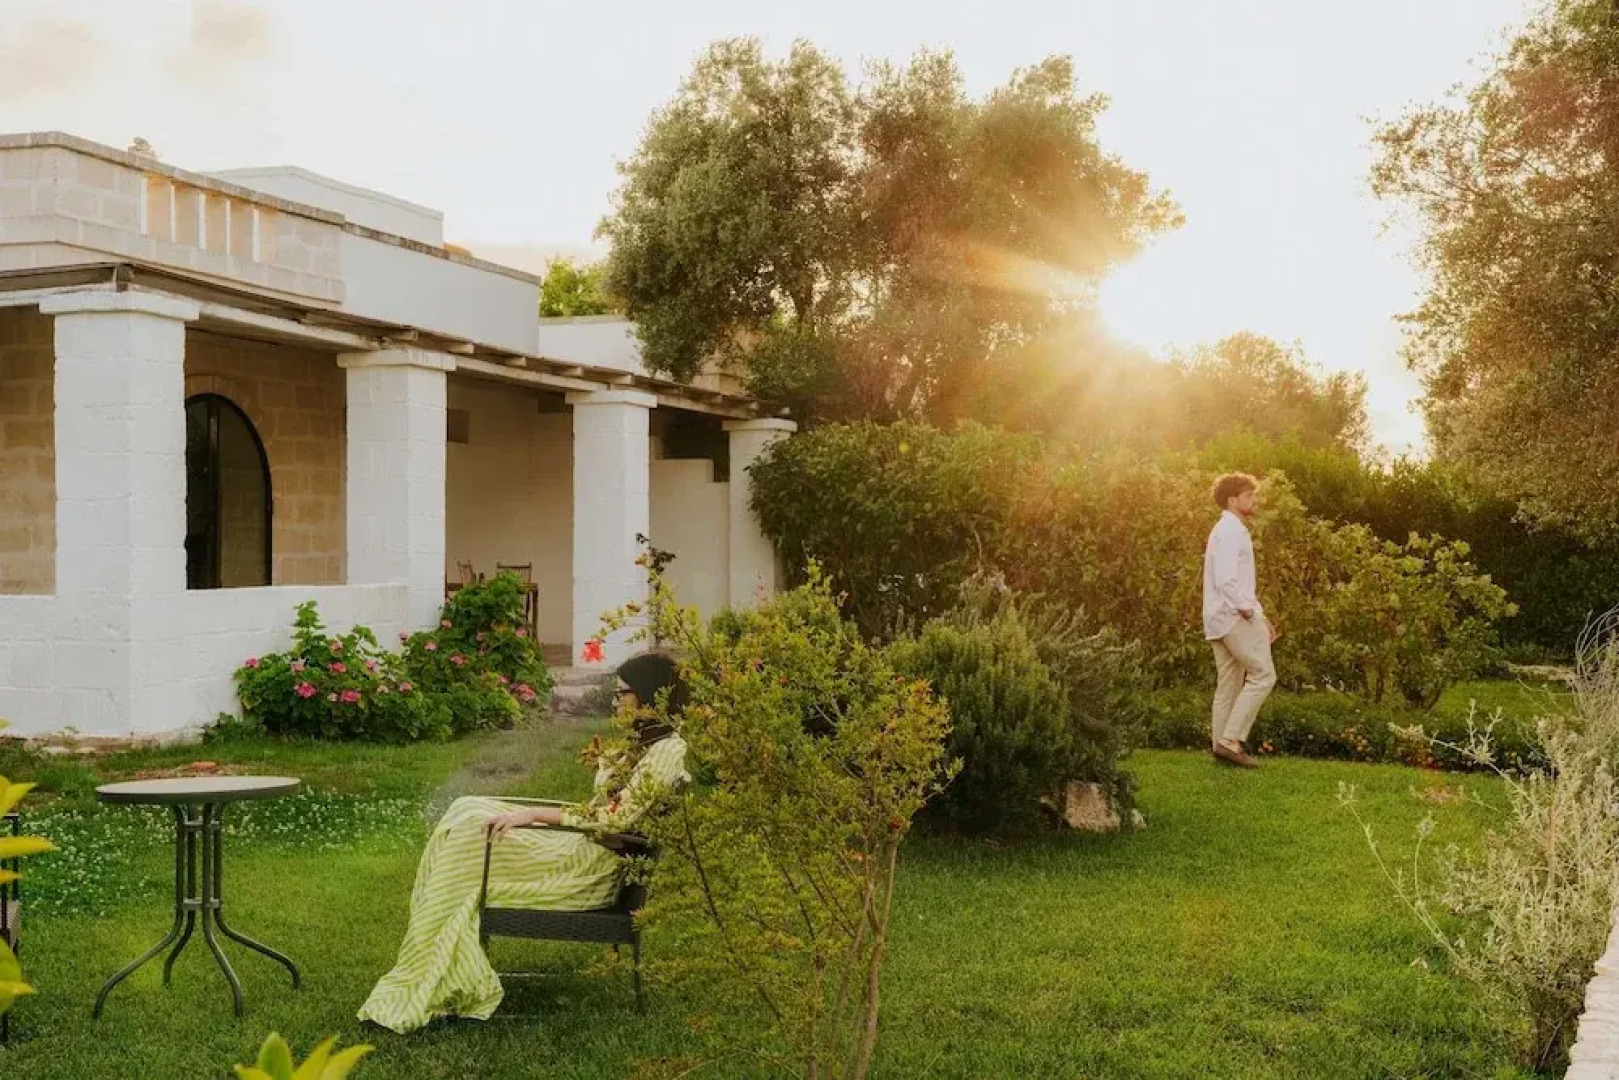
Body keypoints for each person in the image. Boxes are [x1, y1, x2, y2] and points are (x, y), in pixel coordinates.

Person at [358, 652, 690, 1034]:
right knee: (468, 808)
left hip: (589, 869)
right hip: (582, 846)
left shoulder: (668, 750)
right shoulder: (642, 743)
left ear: (648, 696)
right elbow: (603, 808)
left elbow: (614, 819)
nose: (616, 702)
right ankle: (428, 948)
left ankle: (430, 971)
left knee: (471, 837)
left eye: (623, 695)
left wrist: (532, 814)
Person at [1203, 473, 1277, 769]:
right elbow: (1226, 580)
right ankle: (1230, 741)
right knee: (1263, 674)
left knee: (1230, 684)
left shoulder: (1227, 529)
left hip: (1219, 618)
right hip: (1232, 616)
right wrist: (1249, 610)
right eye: (1249, 495)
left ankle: (1220, 746)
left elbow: (1238, 582)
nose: (1254, 500)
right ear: (1233, 500)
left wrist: (1260, 613)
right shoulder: (1230, 530)